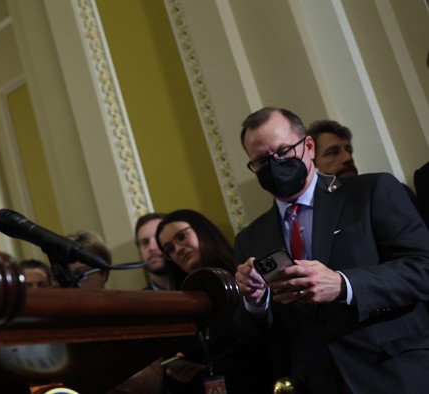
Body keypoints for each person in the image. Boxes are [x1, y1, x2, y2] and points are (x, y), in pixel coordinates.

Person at [234, 107, 429, 393]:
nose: (275, 164)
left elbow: (423, 268)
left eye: (284, 151)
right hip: (316, 382)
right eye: (263, 160)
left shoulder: (371, 191)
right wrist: (254, 302)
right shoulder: (249, 239)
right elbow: (248, 338)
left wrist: (343, 284)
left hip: (395, 373)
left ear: (309, 147)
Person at [155, 209, 273, 394]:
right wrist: (186, 368)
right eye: (169, 249)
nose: (178, 249)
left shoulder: (245, 278)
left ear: (201, 231)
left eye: (181, 237)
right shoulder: (182, 306)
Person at [135, 212, 175, 291]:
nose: (152, 247)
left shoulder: (200, 286)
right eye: (145, 242)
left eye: (158, 238)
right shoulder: (138, 302)